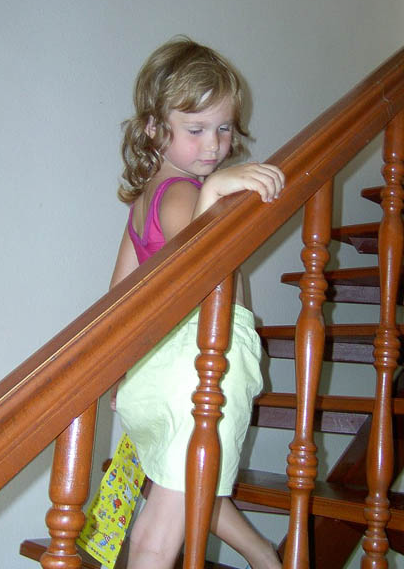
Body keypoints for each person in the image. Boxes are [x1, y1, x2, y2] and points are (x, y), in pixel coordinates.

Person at [109, 37, 284, 569]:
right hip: (198, 362)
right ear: (153, 129)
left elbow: (119, 296)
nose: (213, 145)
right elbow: (199, 266)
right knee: (155, 538)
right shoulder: (185, 193)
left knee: (186, 481)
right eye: (196, 129)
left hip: (154, 370)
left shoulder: (146, 200)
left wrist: (118, 373)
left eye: (224, 128)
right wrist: (212, 196)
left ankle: (262, 556)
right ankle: (265, 558)